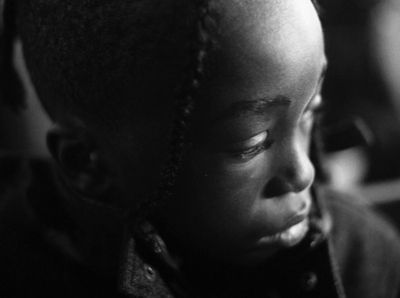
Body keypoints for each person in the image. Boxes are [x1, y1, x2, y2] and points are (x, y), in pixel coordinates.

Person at [1, 0, 400, 297]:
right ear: (89, 164)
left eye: (311, 110)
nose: (303, 173)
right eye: (252, 142)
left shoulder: (364, 257)